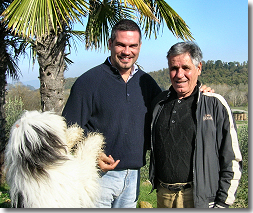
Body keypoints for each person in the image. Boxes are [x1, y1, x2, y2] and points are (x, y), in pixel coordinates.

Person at [62, 19, 213, 208]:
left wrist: (201, 92)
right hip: (97, 178)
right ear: (110, 44)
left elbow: (173, 103)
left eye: (133, 45)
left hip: (133, 178)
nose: (127, 51)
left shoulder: (146, 83)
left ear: (140, 46)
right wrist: (93, 153)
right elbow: (67, 131)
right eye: (121, 45)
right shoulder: (88, 82)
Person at [149, 41, 242, 208]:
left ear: (198, 68)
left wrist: (222, 203)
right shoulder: (159, 103)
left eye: (186, 68)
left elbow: (231, 158)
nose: (179, 74)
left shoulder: (215, 105)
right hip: (163, 196)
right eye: (173, 68)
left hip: (199, 199)